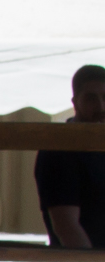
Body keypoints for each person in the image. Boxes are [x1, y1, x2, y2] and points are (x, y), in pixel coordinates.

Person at [35, 65, 105, 248]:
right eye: (91, 98)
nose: (101, 106)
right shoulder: (60, 149)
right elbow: (66, 225)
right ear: (75, 102)